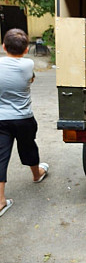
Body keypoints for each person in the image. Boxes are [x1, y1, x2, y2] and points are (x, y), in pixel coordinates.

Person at [0, 28, 49, 217]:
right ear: (26, 49)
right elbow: (32, 79)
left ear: (4, 46)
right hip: (23, 118)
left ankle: (1, 200)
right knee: (28, 146)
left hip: (1, 119)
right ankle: (37, 175)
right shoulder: (27, 64)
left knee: (1, 155)